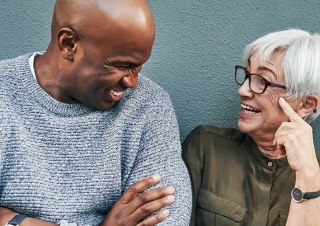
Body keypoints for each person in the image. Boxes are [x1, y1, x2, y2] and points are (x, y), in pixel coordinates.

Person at [0, 0, 192, 225]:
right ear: (69, 43)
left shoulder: (148, 107)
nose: (132, 82)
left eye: (139, 67)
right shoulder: (5, 92)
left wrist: (14, 220)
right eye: (123, 65)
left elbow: (168, 218)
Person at [182, 28, 320, 226]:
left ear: (305, 105)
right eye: (247, 75)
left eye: (261, 81)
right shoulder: (205, 147)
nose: (242, 90)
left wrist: (308, 174)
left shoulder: (316, 174)